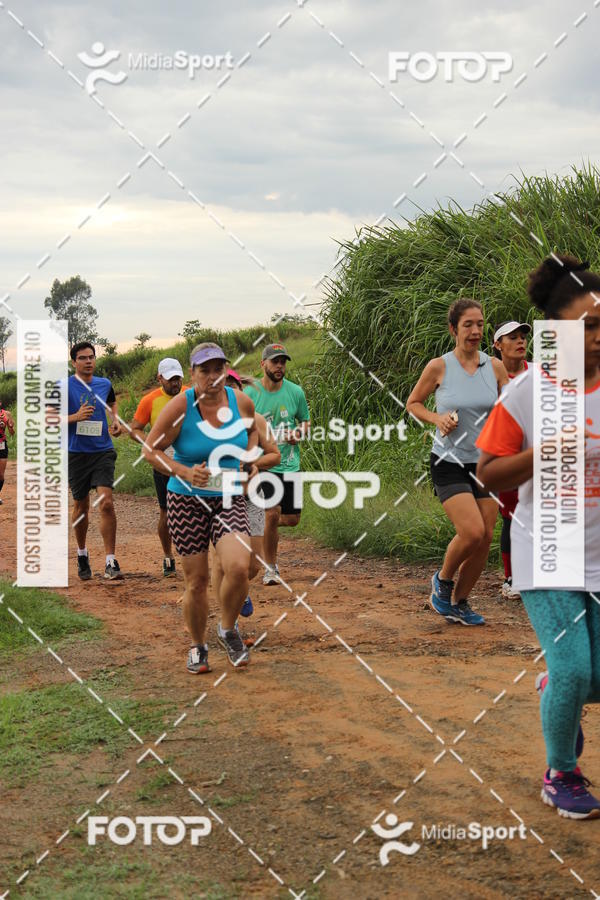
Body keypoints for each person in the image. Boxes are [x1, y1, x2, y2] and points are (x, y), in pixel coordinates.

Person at [476, 254, 600, 818]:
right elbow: (489, 472)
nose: (599, 337)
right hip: (546, 548)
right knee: (577, 670)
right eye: (588, 327)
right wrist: (543, 452)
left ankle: (560, 686)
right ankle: (562, 773)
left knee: (584, 679)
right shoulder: (526, 394)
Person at [144, 343, 259, 672]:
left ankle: (227, 629)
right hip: (185, 499)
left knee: (239, 567)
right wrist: (182, 470)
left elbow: (253, 434)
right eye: (204, 370)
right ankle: (197, 645)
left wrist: (247, 463)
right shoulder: (181, 406)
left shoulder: (241, 402)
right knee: (196, 581)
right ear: (192, 374)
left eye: (218, 368)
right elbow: (151, 450)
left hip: (228, 496)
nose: (213, 376)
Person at [406, 299, 508, 625]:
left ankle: (460, 603)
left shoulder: (494, 367)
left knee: (486, 537)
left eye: (480, 324)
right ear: (453, 329)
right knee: (472, 532)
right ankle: (443, 580)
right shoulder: (439, 366)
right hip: (449, 460)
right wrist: (436, 419)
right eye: (468, 325)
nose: (476, 330)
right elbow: (414, 403)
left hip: (486, 462)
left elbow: (512, 406)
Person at [211, 369, 281, 644]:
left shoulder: (257, 421)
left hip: (251, 494)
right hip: (220, 497)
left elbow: (274, 455)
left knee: (252, 566)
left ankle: (241, 591)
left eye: (234, 387)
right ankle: (229, 624)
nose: (230, 393)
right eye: (224, 388)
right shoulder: (208, 423)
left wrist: (253, 464)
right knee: (224, 562)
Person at [243, 343, 310, 585]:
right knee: (272, 513)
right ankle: (271, 568)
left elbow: (305, 421)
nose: (280, 366)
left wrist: (299, 433)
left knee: (291, 519)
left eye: (283, 362)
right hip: (263, 464)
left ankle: (256, 524)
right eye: (275, 362)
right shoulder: (249, 394)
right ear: (263, 364)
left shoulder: (295, 392)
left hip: (290, 463)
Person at [66, 342, 123, 580]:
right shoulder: (63, 386)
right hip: (77, 452)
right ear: (74, 362)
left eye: (91, 357)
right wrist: (75, 417)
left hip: (102, 450)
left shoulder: (104, 383)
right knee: (81, 506)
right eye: (83, 358)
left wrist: (116, 420)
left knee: (106, 503)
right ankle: (81, 553)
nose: (88, 361)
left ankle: (110, 561)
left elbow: (111, 402)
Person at [130, 357, 188, 576]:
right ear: (159, 378)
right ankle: (168, 556)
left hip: (189, 460)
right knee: (166, 510)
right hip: (163, 462)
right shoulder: (150, 400)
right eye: (171, 379)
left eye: (178, 378)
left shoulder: (190, 395)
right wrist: (151, 442)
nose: (175, 383)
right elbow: (135, 428)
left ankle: (195, 556)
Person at [492, 321, 531, 599]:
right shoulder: (489, 376)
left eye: (523, 337)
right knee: (512, 517)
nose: (520, 341)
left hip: (539, 454)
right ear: (497, 345)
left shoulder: (539, 372)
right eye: (512, 338)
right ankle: (511, 578)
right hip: (506, 457)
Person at [0, 401, 15, 506]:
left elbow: (12, 433)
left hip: (2, 445)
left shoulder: (7, 414)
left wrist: (10, 427)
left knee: (1, 475)